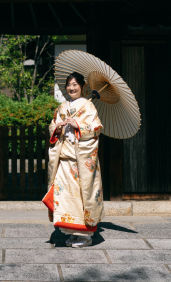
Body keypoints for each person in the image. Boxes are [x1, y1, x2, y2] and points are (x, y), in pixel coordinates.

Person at [46, 72, 104, 247]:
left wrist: (77, 125)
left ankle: (85, 235)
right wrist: (57, 128)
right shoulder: (62, 107)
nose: (71, 88)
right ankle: (71, 231)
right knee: (63, 195)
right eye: (69, 85)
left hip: (79, 161)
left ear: (82, 87)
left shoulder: (88, 106)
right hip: (64, 159)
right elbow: (52, 127)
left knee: (80, 197)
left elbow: (96, 128)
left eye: (75, 84)